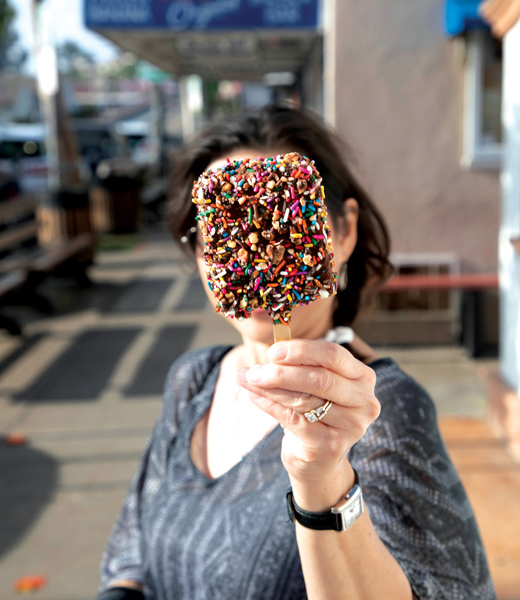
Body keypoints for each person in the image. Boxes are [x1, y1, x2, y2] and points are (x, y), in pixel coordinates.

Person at [96, 104, 496, 600]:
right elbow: (131, 551)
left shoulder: (380, 411)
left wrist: (323, 478)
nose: (260, 254)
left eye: (278, 228)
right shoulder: (192, 379)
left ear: (343, 232)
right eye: (225, 231)